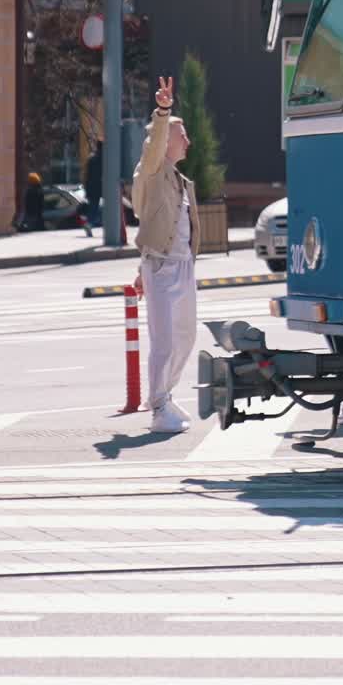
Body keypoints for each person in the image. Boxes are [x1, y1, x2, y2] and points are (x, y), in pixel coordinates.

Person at [131, 75, 200, 435]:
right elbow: (153, 146)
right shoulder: (153, 170)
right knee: (164, 339)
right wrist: (163, 112)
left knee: (186, 335)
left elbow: (158, 225)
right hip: (162, 266)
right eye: (182, 134)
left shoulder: (178, 179)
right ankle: (158, 407)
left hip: (183, 266)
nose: (188, 139)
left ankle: (166, 393)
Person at [82, 140, 103, 237]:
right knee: (96, 207)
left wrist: (86, 188)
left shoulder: (91, 158)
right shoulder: (102, 158)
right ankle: (90, 223)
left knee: (93, 206)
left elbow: (87, 175)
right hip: (99, 186)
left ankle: (89, 223)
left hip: (90, 187)